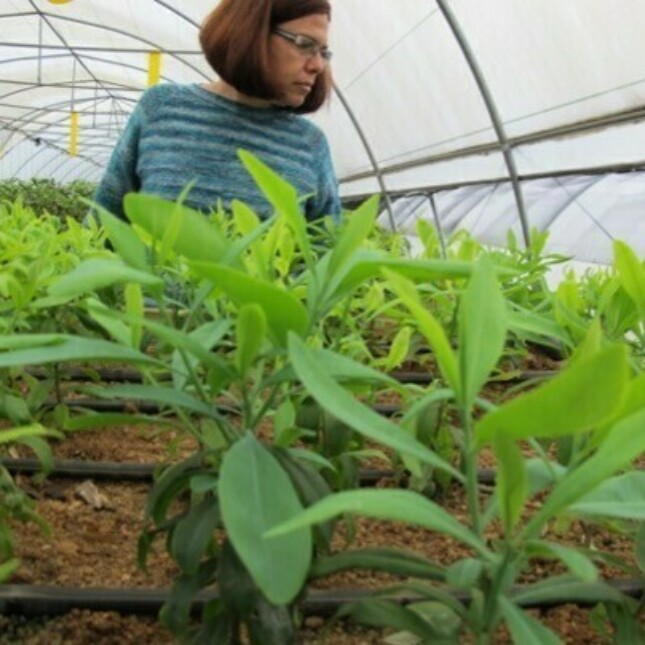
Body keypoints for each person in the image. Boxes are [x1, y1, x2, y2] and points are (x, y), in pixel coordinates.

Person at [94, 0, 340, 223]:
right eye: (305, 44)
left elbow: (329, 256)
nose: (317, 65)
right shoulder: (162, 110)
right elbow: (103, 225)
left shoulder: (308, 144)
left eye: (323, 52)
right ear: (251, 34)